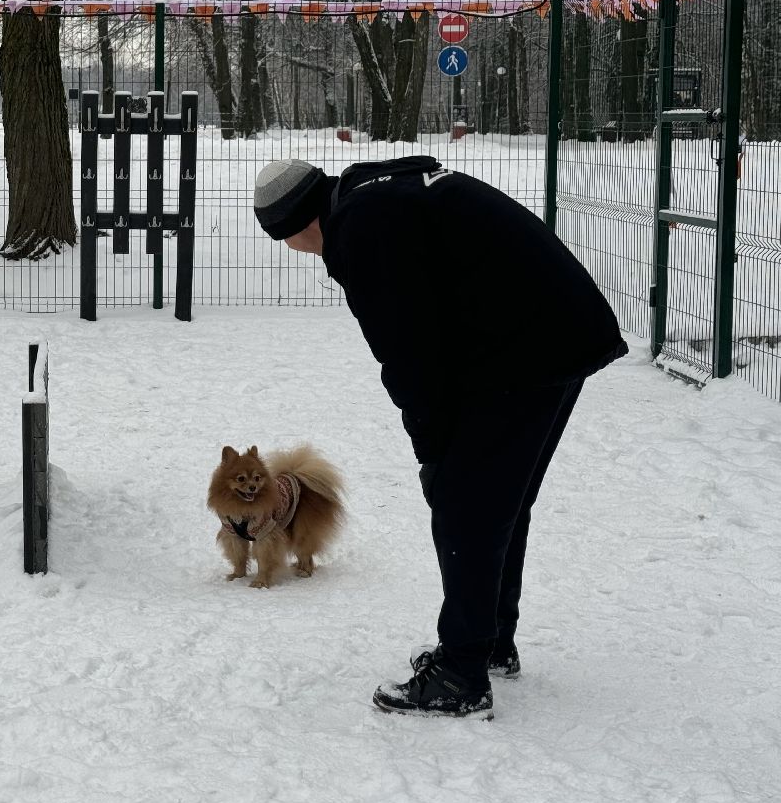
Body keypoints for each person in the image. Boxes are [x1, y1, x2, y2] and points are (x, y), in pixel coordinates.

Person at [253, 155, 628, 718]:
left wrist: (433, 450)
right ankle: (488, 643)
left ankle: (461, 676)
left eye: (285, 240)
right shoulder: (377, 198)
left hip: (532, 347)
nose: (293, 251)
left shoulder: (364, 230)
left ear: (295, 226)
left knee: (466, 505)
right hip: (555, 329)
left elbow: (409, 354)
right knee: (498, 501)